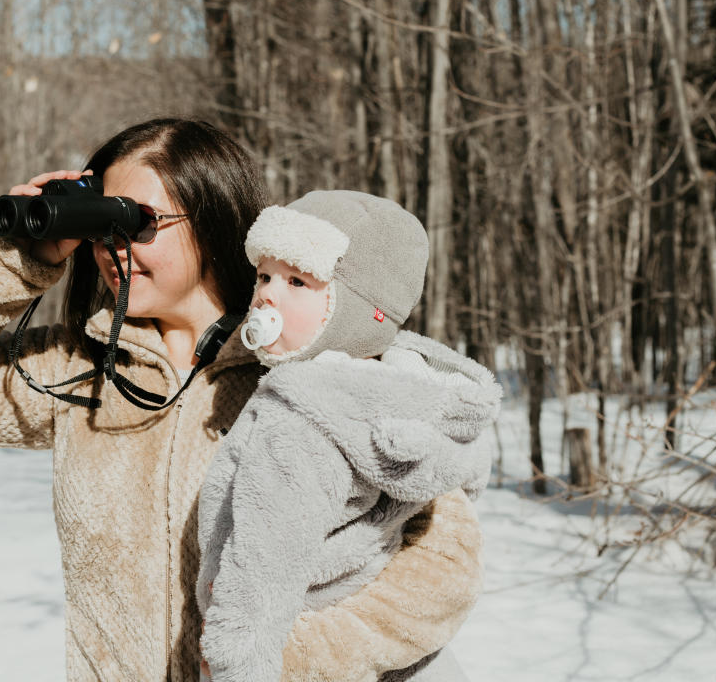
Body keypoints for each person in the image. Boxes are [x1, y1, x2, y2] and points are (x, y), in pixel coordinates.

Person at [0, 118, 486, 682]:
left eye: (135, 221)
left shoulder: (317, 375)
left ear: (213, 224)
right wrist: (10, 263)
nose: (112, 245)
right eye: (101, 224)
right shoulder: (79, 373)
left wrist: (281, 662)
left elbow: (442, 572)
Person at [196, 191, 502, 682]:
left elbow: (265, 563)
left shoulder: (299, 417)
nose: (267, 296)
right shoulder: (406, 388)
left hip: (299, 644)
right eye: (264, 276)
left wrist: (235, 663)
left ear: (362, 311)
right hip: (400, 658)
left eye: (298, 281)